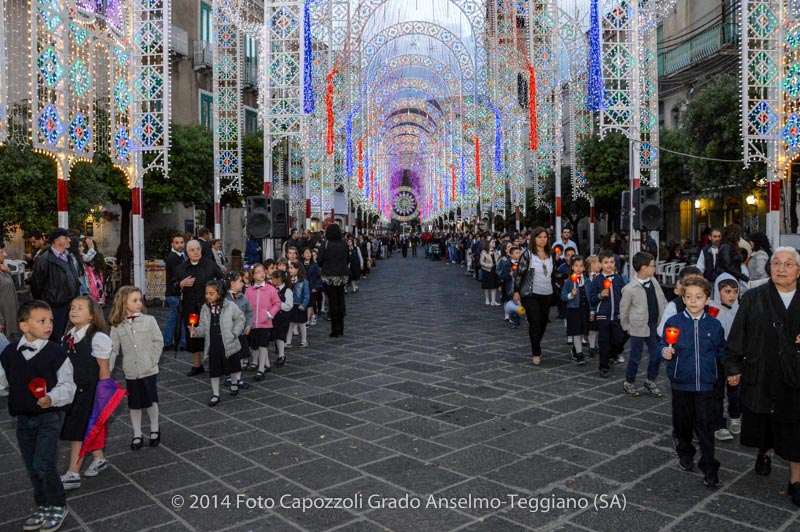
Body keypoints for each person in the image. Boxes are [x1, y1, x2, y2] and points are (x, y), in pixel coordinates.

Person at [725, 247, 800, 507]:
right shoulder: (754, 297)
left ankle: (796, 479)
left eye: (788, 264)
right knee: (765, 421)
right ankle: (765, 451)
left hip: (796, 376)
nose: (781, 268)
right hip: (763, 370)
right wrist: (733, 367)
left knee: (795, 428)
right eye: (776, 263)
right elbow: (738, 335)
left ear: (798, 271)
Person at [0, 301, 75, 531]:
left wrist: (52, 398)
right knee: (31, 465)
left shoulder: (56, 352)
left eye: (50, 320)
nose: (49, 325)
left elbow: (68, 386)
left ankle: (57, 505)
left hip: (50, 417)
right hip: (23, 418)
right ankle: (42, 505)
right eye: (41, 321)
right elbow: (2, 381)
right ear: (24, 326)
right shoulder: (10, 354)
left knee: (44, 463)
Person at [661, 277, 725, 488]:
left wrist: (729, 371)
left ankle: (709, 466)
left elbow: (720, 351)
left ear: (707, 299)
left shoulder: (714, 325)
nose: (693, 301)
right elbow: (664, 344)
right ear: (683, 298)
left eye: (698, 297)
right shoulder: (674, 323)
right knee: (683, 424)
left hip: (706, 384)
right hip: (682, 383)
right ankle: (685, 451)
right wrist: (666, 352)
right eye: (688, 297)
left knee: (706, 426)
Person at [58, 297, 112, 491]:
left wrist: (103, 395)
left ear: (92, 314)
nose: (74, 311)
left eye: (80, 308)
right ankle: (99, 459)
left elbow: (104, 370)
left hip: (89, 390)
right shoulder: (68, 336)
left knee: (78, 430)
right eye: (72, 307)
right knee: (86, 427)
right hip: (72, 389)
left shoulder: (97, 338)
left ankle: (73, 472)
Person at [109, 286, 163, 451]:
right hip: (131, 372)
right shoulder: (118, 326)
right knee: (134, 404)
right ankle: (137, 433)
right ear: (124, 303)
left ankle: (154, 428)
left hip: (148, 369)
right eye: (134, 300)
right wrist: (107, 371)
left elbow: (158, 341)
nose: (139, 303)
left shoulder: (149, 320)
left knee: (151, 400)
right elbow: (113, 350)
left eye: (140, 299)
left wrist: (153, 360)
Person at [189, 280, 245, 407]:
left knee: (234, 366)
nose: (208, 296)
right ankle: (215, 394)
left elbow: (240, 318)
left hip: (229, 342)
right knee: (214, 370)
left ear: (219, 294)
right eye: (206, 293)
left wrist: (235, 333)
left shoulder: (230, 306)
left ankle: (234, 383)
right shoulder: (205, 308)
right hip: (213, 344)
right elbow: (203, 328)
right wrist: (195, 331)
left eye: (211, 293)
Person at [620, 252, 667, 397]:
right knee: (636, 356)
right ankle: (629, 382)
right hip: (638, 327)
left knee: (656, 355)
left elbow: (662, 299)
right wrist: (627, 327)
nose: (655, 269)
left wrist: (665, 318)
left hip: (654, 325)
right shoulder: (629, 289)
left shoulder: (653, 281)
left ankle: (650, 380)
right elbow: (624, 310)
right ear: (643, 268)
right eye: (653, 266)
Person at [173, 240, 223, 376]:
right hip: (190, 309)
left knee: (212, 333)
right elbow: (172, 287)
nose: (195, 252)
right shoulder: (181, 268)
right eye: (192, 250)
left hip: (208, 307)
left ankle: (216, 363)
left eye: (197, 249)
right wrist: (181, 284)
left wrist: (214, 291)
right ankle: (197, 365)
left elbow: (222, 281)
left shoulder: (210, 265)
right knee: (193, 334)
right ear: (187, 252)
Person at [30, 228, 81, 342]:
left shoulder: (68, 257)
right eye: (65, 238)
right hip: (55, 306)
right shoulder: (45, 260)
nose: (69, 240)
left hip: (70, 303)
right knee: (56, 335)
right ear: (56, 241)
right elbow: (36, 285)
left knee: (69, 334)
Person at [513, 227, 553, 366]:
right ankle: (536, 351)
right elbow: (520, 273)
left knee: (543, 322)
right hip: (531, 293)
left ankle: (536, 341)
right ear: (534, 238)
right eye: (539, 237)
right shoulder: (528, 254)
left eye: (545, 237)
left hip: (547, 292)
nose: (543, 239)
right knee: (535, 321)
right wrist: (516, 291)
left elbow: (553, 274)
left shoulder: (550, 253)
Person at [709, 274, 741, 441]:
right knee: (717, 391)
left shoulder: (740, 309)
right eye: (727, 291)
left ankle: (735, 417)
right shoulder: (712, 309)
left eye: (735, 292)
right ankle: (718, 424)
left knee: (736, 391)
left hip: (735, 357)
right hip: (716, 357)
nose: (732, 296)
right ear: (718, 292)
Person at [587, 250, 629, 378]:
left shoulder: (619, 279)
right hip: (603, 315)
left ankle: (613, 354)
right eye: (606, 263)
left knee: (619, 338)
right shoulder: (597, 280)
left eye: (612, 262)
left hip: (617, 315)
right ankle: (603, 366)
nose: (609, 265)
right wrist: (600, 295)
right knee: (604, 341)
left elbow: (624, 295)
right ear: (600, 264)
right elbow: (592, 299)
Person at [245, 263, 281, 380]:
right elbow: (246, 307)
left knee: (263, 345)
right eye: (257, 272)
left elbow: (277, 303)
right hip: (252, 323)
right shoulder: (249, 290)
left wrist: (270, 314)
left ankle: (261, 369)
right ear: (253, 276)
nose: (261, 273)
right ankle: (265, 364)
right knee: (254, 345)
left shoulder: (271, 289)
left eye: (262, 271)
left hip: (265, 322)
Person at [317, 224, 349, 338]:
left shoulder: (325, 244)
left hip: (329, 276)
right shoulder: (343, 243)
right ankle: (341, 328)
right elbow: (347, 258)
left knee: (332, 302)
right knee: (341, 300)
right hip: (342, 275)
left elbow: (319, 260)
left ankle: (334, 329)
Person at [223, 271, 252, 390]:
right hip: (228, 333)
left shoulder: (243, 297)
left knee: (240, 356)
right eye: (240, 281)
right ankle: (230, 376)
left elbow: (249, 312)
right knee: (229, 356)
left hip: (240, 333)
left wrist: (249, 325)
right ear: (232, 283)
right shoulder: (223, 298)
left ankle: (238, 378)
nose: (242, 284)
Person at [657, 266, 704, 337]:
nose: (696, 286)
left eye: (700, 283)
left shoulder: (708, 303)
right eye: (691, 283)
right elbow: (662, 331)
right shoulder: (674, 306)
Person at [561, 255, 590, 365]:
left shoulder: (587, 281)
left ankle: (575, 349)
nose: (578, 268)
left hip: (584, 309)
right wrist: (570, 295)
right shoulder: (569, 281)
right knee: (576, 331)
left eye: (581, 266)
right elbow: (563, 296)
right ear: (572, 267)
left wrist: (592, 310)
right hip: (574, 310)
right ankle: (579, 354)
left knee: (583, 331)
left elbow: (590, 296)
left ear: (584, 268)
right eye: (576, 266)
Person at [163, 234, 187, 350]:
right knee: (176, 318)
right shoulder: (172, 257)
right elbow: (179, 274)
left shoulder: (182, 256)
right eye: (177, 242)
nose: (180, 244)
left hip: (176, 292)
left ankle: (174, 342)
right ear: (172, 244)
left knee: (177, 318)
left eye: (181, 242)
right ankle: (175, 343)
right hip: (174, 293)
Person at [269, 269, 293, 367]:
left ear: (280, 279)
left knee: (281, 336)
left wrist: (277, 305)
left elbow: (289, 305)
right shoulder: (273, 289)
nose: (272, 280)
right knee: (276, 335)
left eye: (274, 278)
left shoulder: (287, 290)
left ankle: (281, 355)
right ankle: (280, 354)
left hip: (283, 317)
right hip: (276, 317)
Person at [286, 261, 309, 348]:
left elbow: (307, 295)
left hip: (299, 305)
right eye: (289, 268)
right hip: (291, 305)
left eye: (292, 268)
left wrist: (304, 304)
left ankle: (304, 340)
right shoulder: (288, 280)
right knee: (290, 323)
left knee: (302, 324)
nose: (290, 270)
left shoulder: (304, 281)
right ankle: (288, 341)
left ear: (297, 269)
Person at [0, 242, 19, 340]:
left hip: (9, 316)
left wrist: (8, 271)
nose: (5, 254)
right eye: (1, 252)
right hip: (3, 320)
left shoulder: (2, 268)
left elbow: (9, 286)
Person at [480, 239, 501, 306]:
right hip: (487, 270)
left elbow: (498, 260)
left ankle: (493, 301)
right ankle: (487, 299)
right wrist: (488, 265)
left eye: (494, 242)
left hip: (494, 270)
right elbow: (481, 262)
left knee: (494, 285)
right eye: (492, 242)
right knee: (486, 285)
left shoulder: (496, 251)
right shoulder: (484, 252)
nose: (494, 243)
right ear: (489, 243)